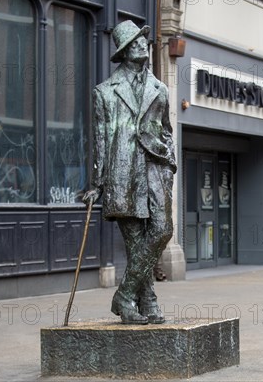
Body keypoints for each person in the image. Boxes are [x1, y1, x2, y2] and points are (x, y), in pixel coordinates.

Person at [83, 21, 176, 324]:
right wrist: (97, 182)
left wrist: (170, 166)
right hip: (123, 172)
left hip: (155, 168)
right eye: (133, 43)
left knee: (163, 230)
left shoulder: (159, 88)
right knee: (136, 242)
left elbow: (167, 131)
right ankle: (146, 302)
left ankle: (124, 296)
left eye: (142, 40)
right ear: (123, 53)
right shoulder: (105, 92)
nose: (141, 45)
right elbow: (99, 138)